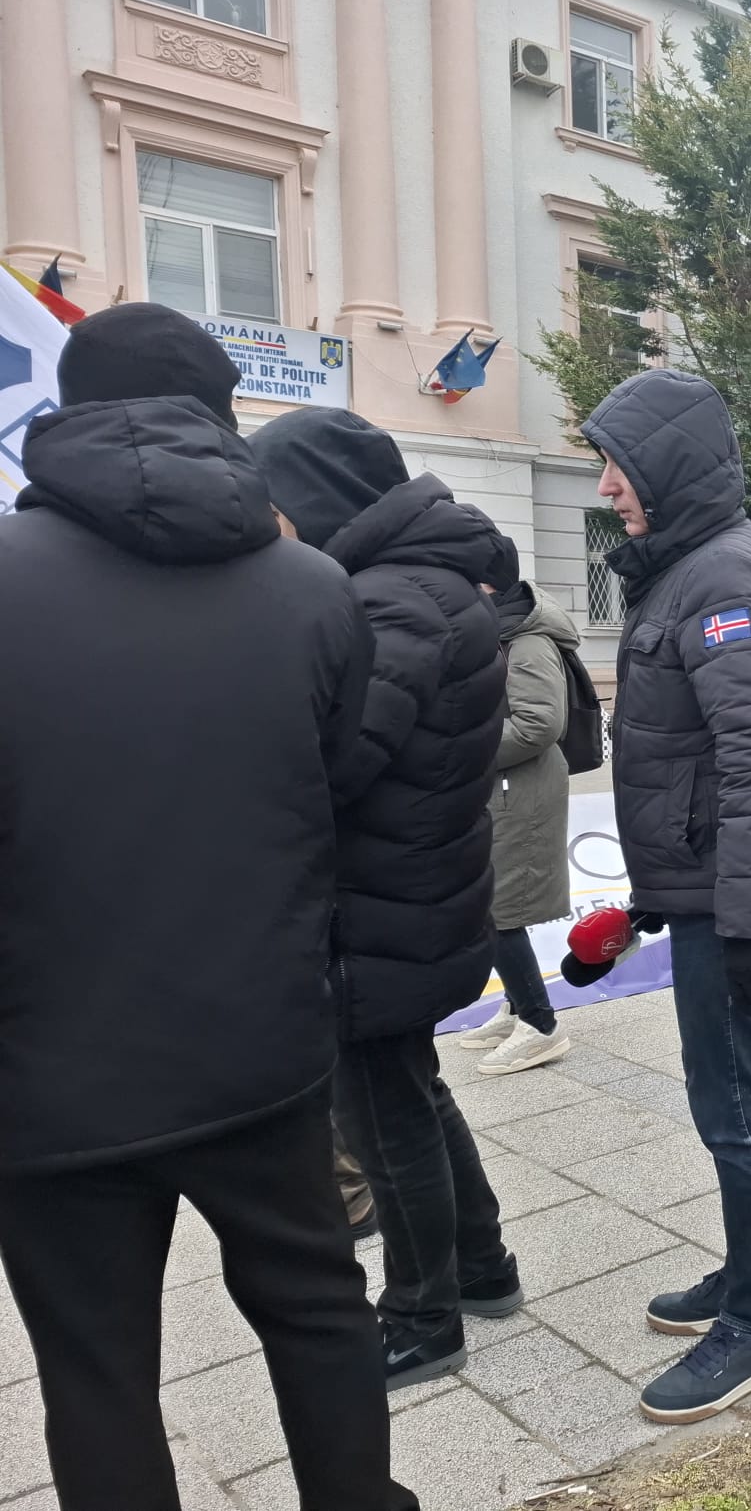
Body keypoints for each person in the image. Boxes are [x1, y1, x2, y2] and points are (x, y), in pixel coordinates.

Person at [0, 304, 419, 1508]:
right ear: (221, 413)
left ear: (70, 405)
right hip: (260, 1043)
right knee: (320, 1309)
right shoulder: (314, 589)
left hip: (51, 1067)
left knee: (95, 1370)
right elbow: (330, 781)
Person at [254, 408, 522, 1391]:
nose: (270, 527)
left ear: (319, 498)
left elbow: (337, 759)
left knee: (381, 1114)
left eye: (275, 504)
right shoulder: (414, 584)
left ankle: (421, 1317)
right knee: (409, 1090)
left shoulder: (389, 599)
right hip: (406, 893)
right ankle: (483, 1267)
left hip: (376, 903)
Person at [584, 369, 751, 1424]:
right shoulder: (690, 568)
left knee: (736, 1106)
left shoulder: (721, 581)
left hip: (733, 895)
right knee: (727, 1096)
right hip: (710, 884)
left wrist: (749, 927)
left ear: (666, 468)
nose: (605, 487)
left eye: (617, 467)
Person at [458, 530, 582, 1075]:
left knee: (500, 909)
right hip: (504, 788)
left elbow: (539, 724)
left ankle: (540, 1025)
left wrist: (462, 748)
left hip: (521, 791)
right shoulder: (502, 631)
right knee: (493, 903)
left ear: (486, 585)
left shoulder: (526, 640)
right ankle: (515, 1008)